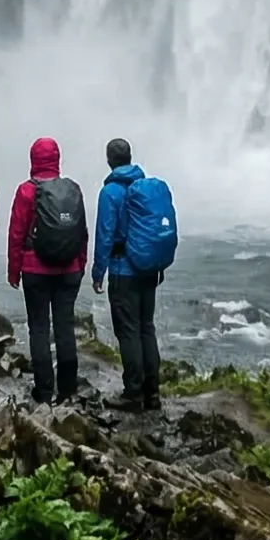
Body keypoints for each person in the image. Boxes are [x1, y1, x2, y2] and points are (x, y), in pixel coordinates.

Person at [6, 136, 87, 405]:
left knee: (39, 328)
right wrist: (82, 263)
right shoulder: (73, 189)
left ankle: (43, 391)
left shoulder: (26, 191)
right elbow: (82, 232)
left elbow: (17, 233)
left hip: (35, 269)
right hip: (69, 269)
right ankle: (67, 389)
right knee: (65, 326)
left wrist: (13, 270)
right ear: (57, 160)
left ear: (33, 160)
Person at [92, 136, 170, 411]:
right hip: (148, 268)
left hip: (123, 270)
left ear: (109, 160)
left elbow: (105, 234)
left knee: (128, 331)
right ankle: (153, 393)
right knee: (147, 328)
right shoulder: (145, 187)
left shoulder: (110, 193)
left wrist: (98, 271)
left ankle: (133, 393)